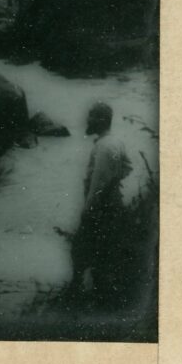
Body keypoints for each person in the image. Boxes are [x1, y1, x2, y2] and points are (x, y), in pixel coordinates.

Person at [70, 102, 133, 303]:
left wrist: (87, 210)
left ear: (100, 120)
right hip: (112, 205)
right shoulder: (114, 142)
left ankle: (79, 295)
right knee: (102, 251)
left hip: (101, 209)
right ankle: (96, 292)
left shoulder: (104, 147)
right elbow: (127, 167)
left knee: (81, 250)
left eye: (91, 117)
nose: (87, 121)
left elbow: (98, 183)